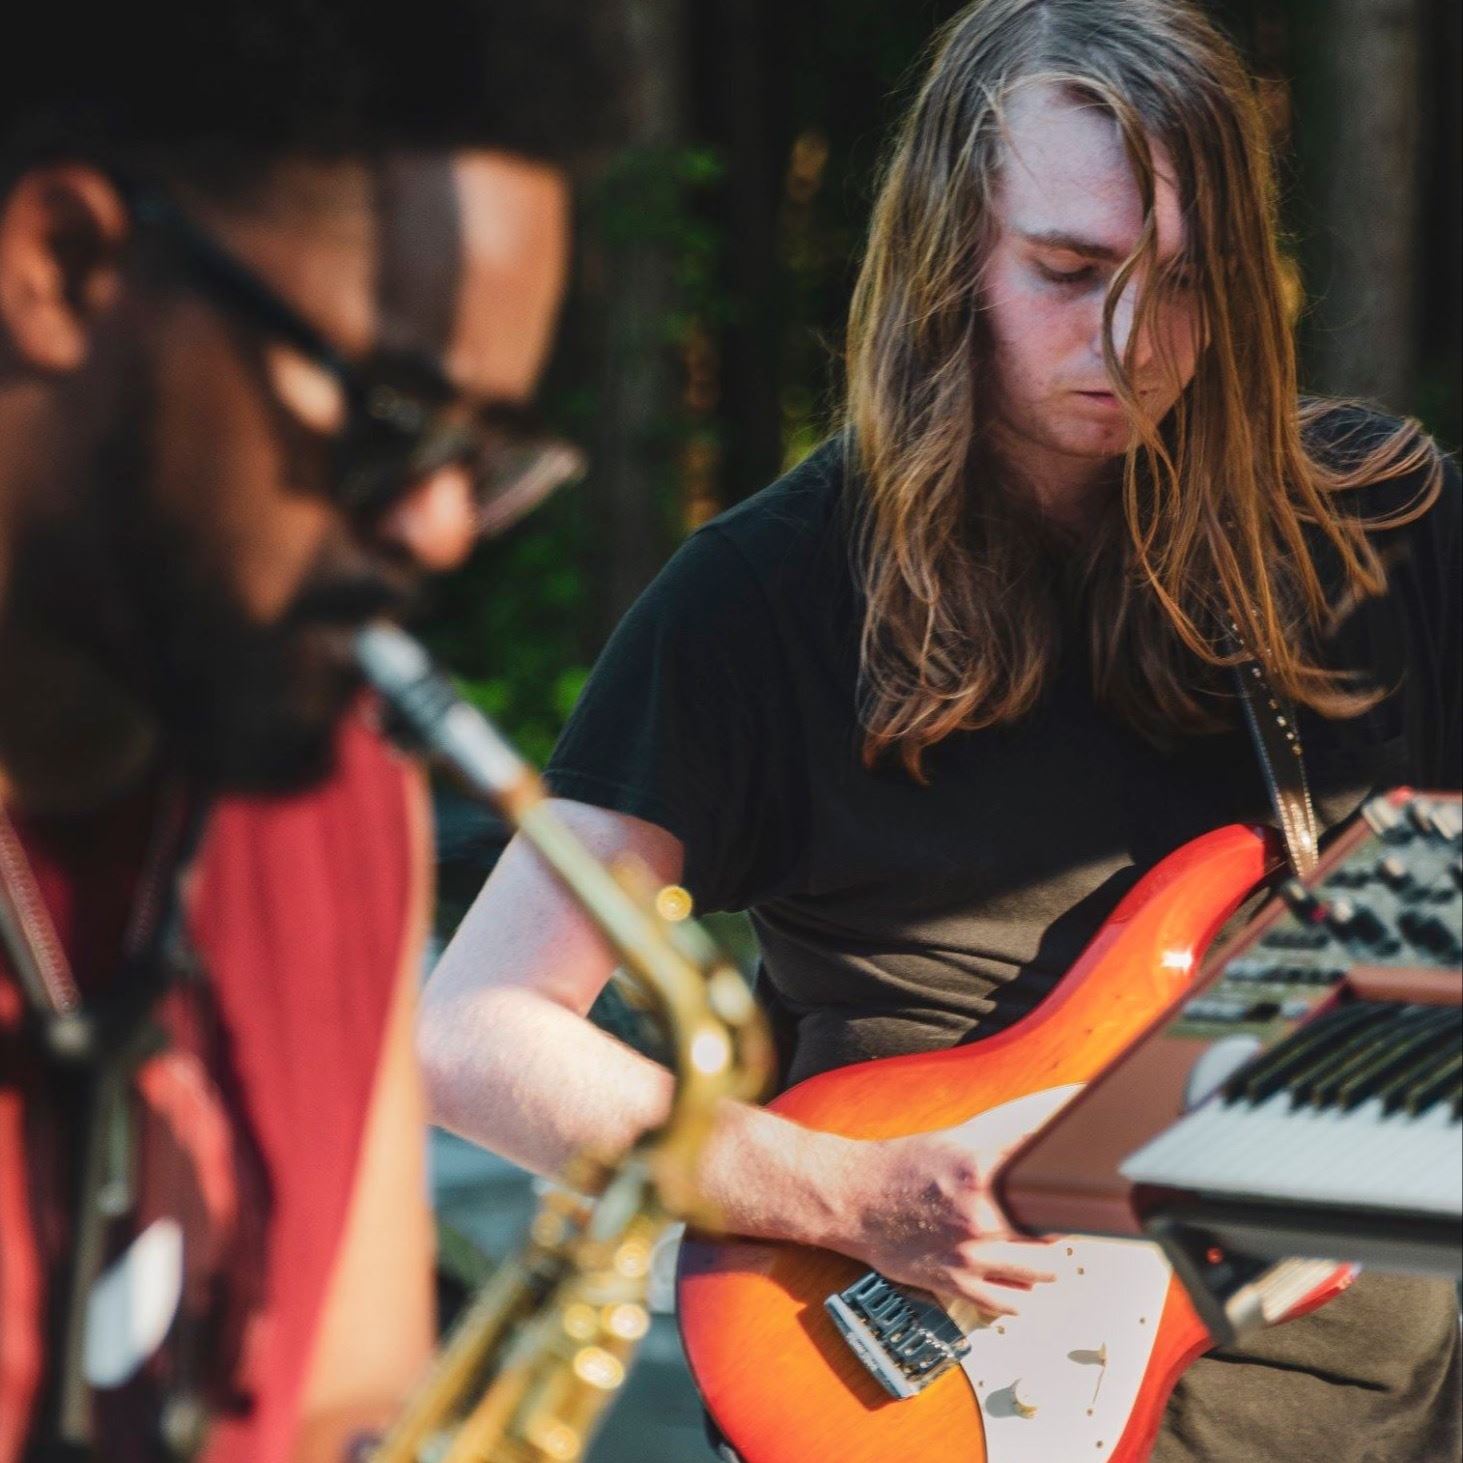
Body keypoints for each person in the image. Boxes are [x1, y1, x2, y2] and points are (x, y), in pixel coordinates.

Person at [418, 1, 1461, 1459]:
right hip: (928, 1398)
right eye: (1068, 269)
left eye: (1186, 279)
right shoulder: (764, 597)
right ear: (949, 249)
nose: (1134, 341)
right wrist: (843, 1197)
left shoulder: (1381, 531)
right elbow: (475, 1031)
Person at [0, 4, 601, 1459]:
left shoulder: (335, 800)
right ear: (66, 268)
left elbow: (345, 1388)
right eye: (395, 418)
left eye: (483, 456)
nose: (444, 528)